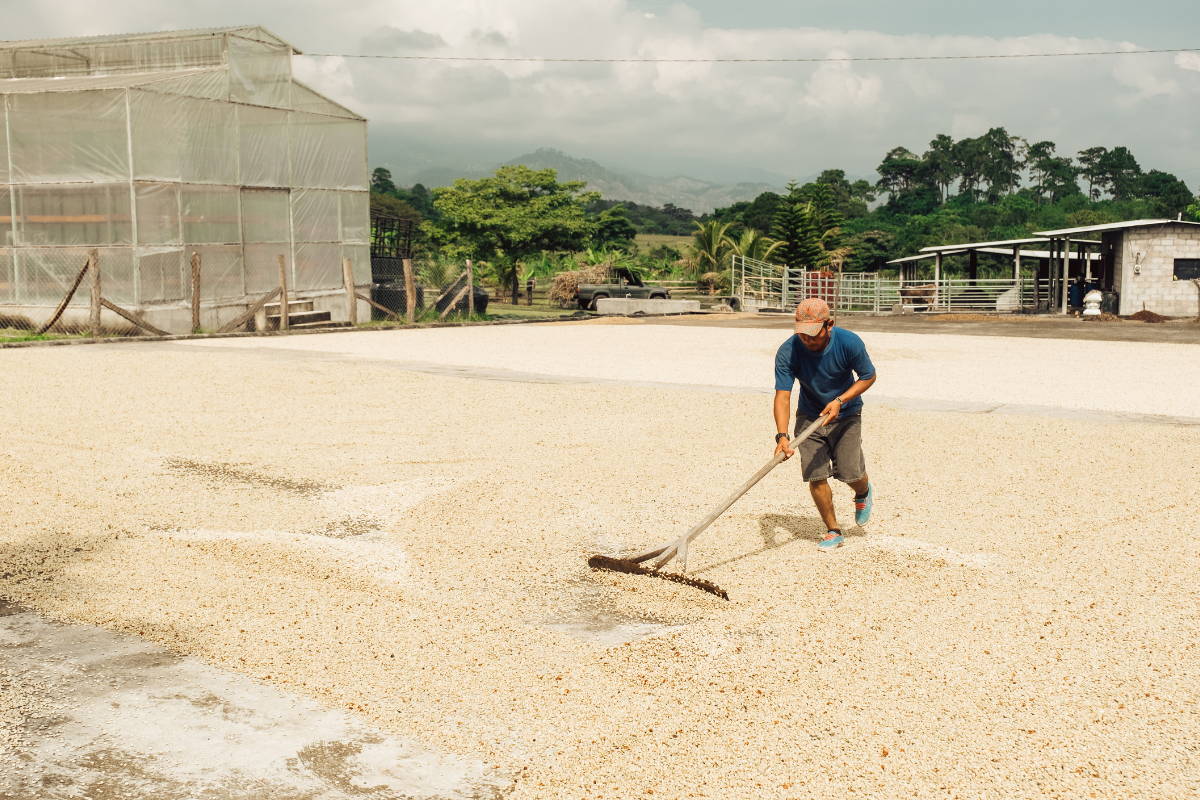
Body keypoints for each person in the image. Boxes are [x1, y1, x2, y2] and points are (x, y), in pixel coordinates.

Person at [772, 297, 877, 551]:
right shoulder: (789, 350)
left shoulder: (848, 342)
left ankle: (863, 493)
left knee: (850, 472)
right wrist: (782, 436)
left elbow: (868, 376)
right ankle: (833, 530)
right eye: (802, 335)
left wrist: (840, 400)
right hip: (810, 416)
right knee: (816, 475)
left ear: (829, 324)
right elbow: (783, 396)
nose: (807, 341)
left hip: (847, 413)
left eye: (813, 335)